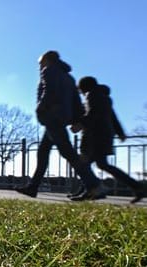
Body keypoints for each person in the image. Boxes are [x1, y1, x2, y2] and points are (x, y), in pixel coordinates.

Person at [15, 50, 106, 201]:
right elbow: (76, 102)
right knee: (43, 152)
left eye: (41, 62)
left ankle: (94, 185)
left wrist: (40, 108)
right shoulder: (69, 77)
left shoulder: (49, 71)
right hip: (61, 118)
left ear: (47, 60)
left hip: (52, 117)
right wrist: (77, 120)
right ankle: (33, 187)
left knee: (68, 153)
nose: (39, 66)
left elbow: (48, 91)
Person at [71, 76, 145, 203]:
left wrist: (80, 124)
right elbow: (112, 117)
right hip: (104, 135)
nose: (81, 93)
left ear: (85, 87)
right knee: (99, 164)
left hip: (95, 136)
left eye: (81, 89)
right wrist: (120, 132)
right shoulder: (104, 97)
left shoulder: (92, 95)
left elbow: (93, 114)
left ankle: (93, 190)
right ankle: (137, 187)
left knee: (83, 164)